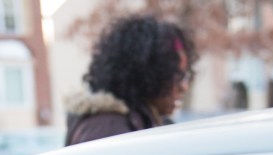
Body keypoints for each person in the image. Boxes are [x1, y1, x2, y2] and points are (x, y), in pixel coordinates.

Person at [64, 14, 197, 146]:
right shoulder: (107, 130)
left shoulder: (144, 121)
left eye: (185, 76)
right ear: (148, 74)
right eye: (177, 76)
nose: (184, 86)